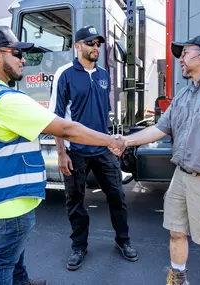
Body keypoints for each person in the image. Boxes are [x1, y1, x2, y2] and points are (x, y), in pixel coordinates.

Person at [0, 26, 124, 285]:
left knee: (13, 254)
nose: (23, 60)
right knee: (2, 262)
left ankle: (22, 281)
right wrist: (110, 141)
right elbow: (65, 127)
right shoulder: (5, 99)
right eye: (17, 53)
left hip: (4, 196)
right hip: (10, 201)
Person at [113, 35, 200, 285]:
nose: (180, 59)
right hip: (181, 177)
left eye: (185, 53)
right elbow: (160, 128)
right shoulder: (184, 94)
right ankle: (177, 278)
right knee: (176, 232)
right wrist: (126, 141)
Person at [49, 25, 138, 271]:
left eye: (98, 44)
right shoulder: (65, 74)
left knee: (117, 197)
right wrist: (61, 153)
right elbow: (56, 118)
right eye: (90, 43)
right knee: (75, 201)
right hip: (75, 151)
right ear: (77, 46)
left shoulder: (103, 74)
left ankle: (123, 241)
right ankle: (79, 246)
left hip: (102, 149)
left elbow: (103, 113)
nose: (95, 47)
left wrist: (111, 142)